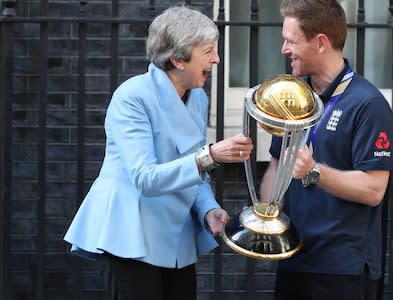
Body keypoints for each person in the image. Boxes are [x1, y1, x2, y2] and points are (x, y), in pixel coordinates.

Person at [64, 6, 253, 300]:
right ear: (178, 59)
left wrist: (207, 209)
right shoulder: (132, 97)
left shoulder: (198, 98)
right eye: (208, 51)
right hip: (130, 236)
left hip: (175, 238)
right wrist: (211, 155)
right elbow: (145, 178)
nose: (216, 59)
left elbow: (192, 166)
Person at [260, 0, 393, 299]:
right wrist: (265, 217)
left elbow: (374, 189)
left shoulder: (368, 104)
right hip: (293, 260)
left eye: (291, 41)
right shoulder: (292, 98)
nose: (284, 49)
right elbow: (275, 166)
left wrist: (314, 171)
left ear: (321, 42)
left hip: (341, 270)